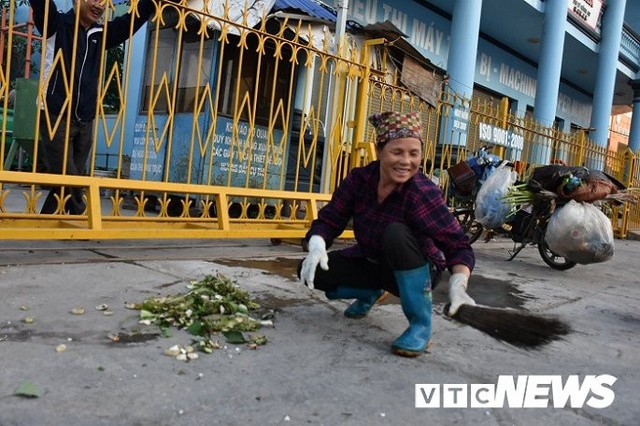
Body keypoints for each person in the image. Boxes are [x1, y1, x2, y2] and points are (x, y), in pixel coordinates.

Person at [298, 111, 476, 358]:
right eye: (397, 152)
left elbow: (458, 246)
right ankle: (371, 292)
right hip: (372, 260)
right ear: (379, 150)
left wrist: (458, 285)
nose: (406, 161)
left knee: (395, 233)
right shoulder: (360, 180)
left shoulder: (422, 192)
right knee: (309, 272)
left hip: (418, 269)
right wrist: (317, 246)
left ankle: (420, 326)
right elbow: (330, 218)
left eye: (414, 154)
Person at [30, 0, 156, 214]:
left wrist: (154, 3)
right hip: (55, 112)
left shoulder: (100, 34)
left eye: (103, 1)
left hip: (85, 117)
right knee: (66, 173)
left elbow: (131, 20)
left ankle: (46, 218)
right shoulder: (55, 24)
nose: (99, 5)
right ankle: (81, 212)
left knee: (69, 178)